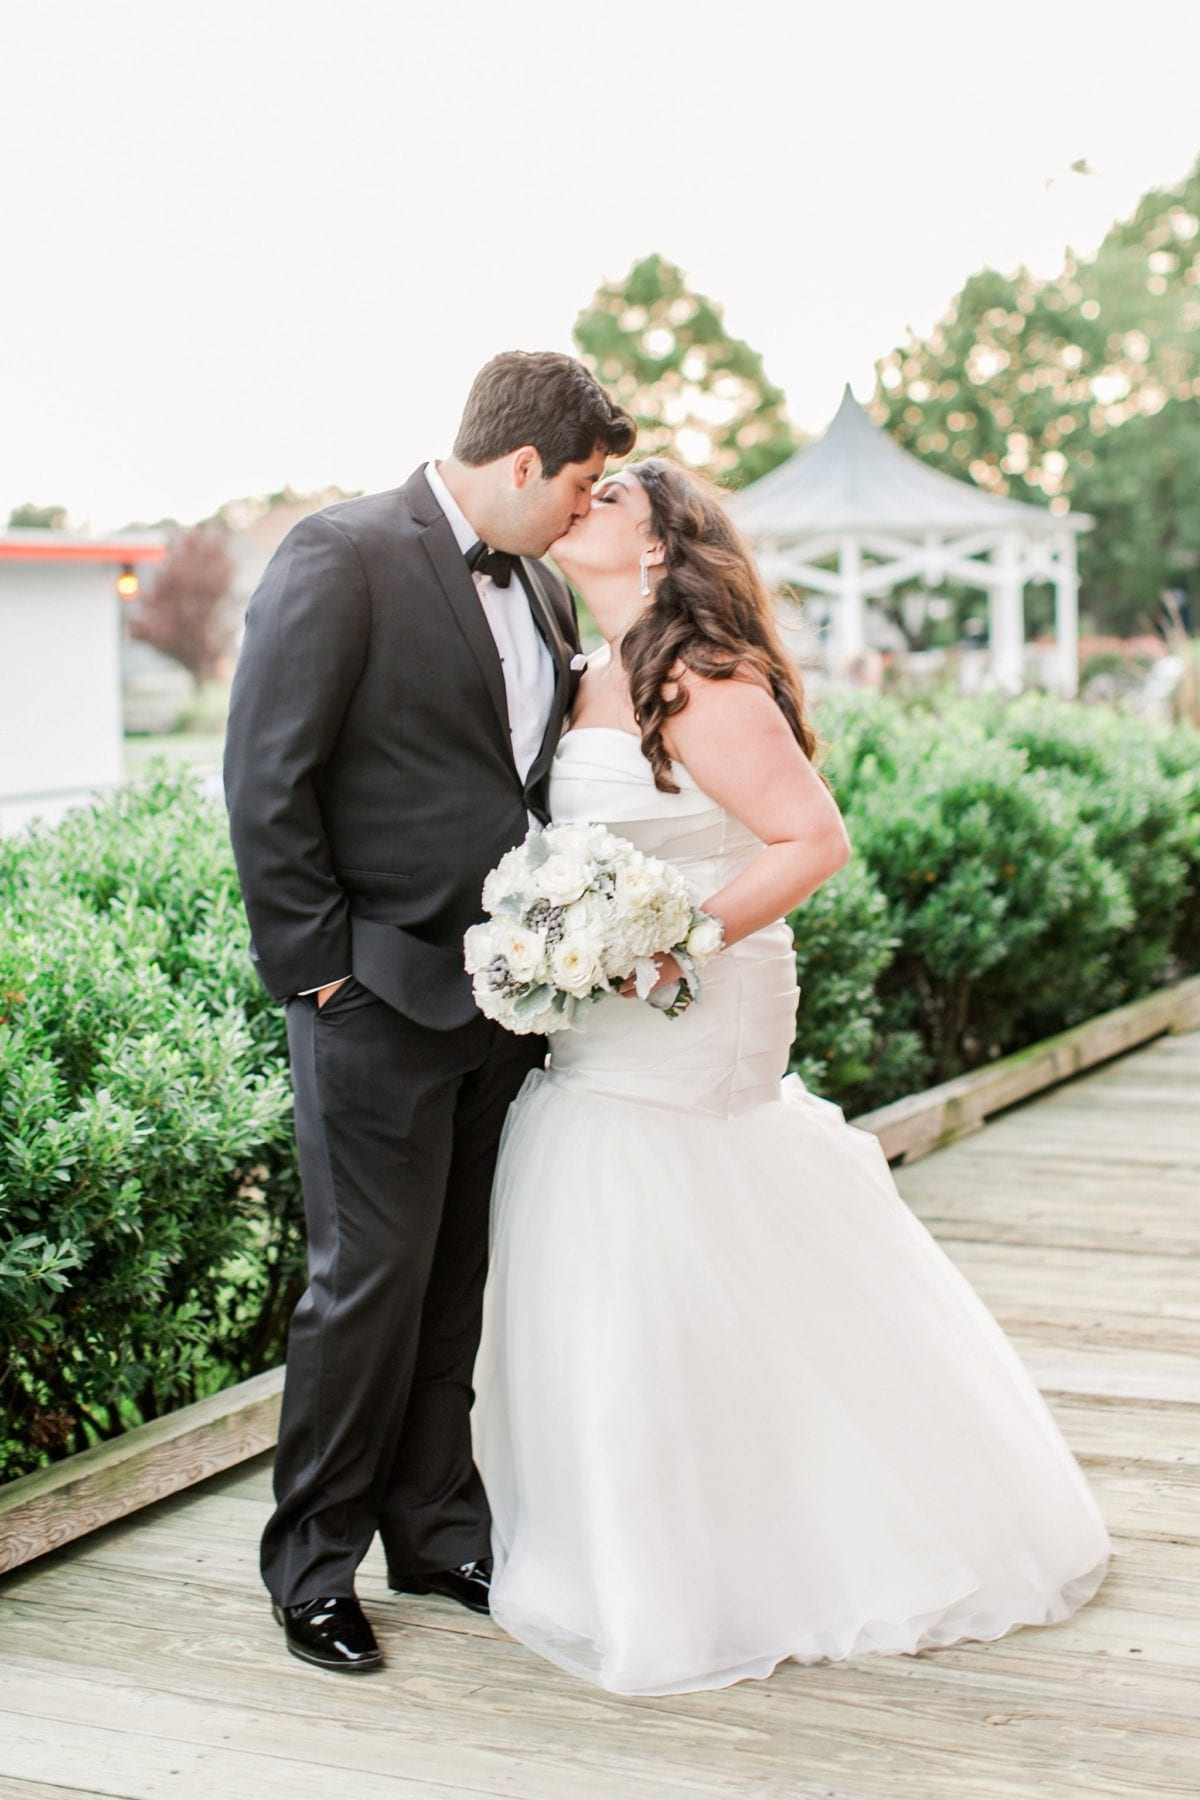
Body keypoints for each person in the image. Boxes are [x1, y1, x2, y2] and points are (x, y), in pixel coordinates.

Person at [473, 457, 1111, 1697]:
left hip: (693, 1005)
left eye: (610, 498)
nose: (579, 504)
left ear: (659, 548)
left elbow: (812, 836)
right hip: (606, 1017)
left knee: (679, 1211)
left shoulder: (699, 672)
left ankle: (762, 1553)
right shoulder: (593, 667)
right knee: (615, 1227)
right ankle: (631, 1538)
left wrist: (674, 942)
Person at [223, 352, 635, 1673]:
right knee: (364, 1292)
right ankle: (314, 1568)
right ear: (524, 464)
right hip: (373, 998)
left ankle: (437, 1530)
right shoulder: (339, 554)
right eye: (577, 485)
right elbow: (265, 778)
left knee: (453, 1282)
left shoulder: (549, 589)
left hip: (503, 1005)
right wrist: (319, 973)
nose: (584, 511)